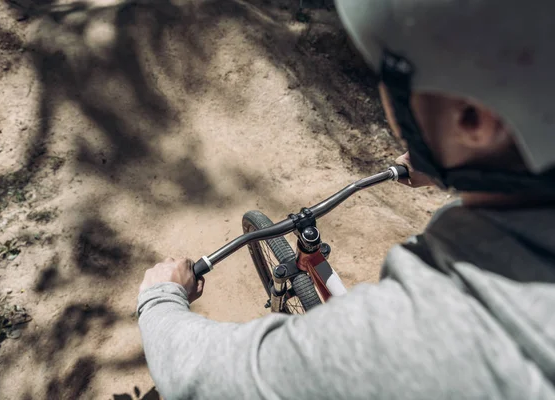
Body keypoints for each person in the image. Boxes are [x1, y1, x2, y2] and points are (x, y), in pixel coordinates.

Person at [137, 0, 555, 398]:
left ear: (472, 120)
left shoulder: (434, 331)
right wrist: (459, 161)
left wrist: (160, 298)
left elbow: (203, 377)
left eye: (389, 79)